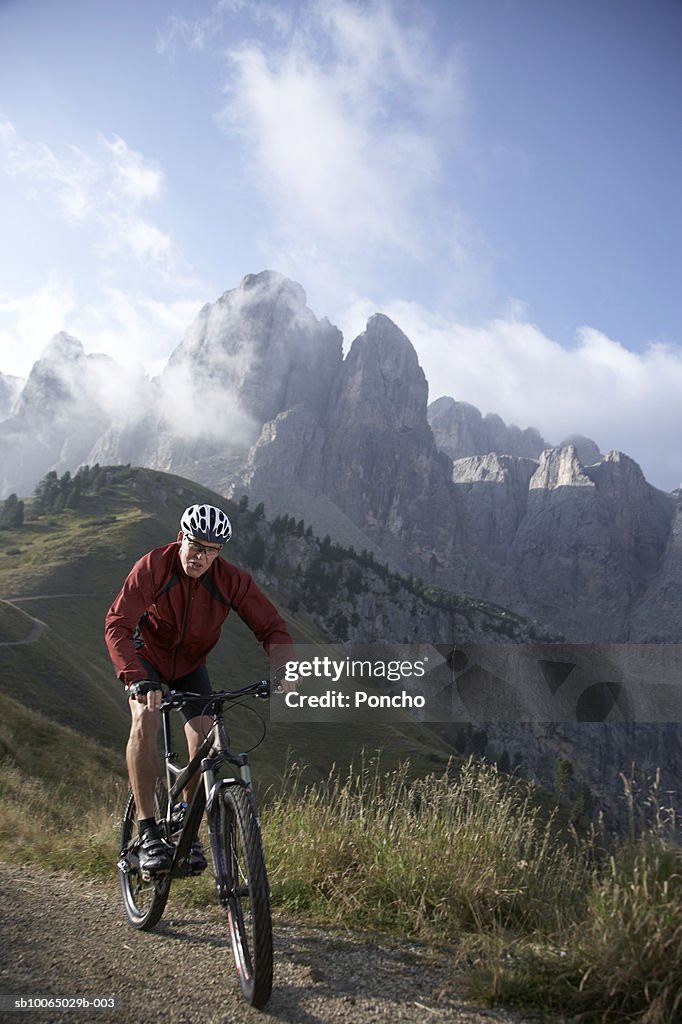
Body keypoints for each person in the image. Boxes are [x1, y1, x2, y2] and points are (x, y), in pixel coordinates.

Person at [105, 502, 297, 877]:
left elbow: (270, 624)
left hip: (191, 667)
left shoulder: (230, 580)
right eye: (196, 545)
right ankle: (147, 830)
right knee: (144, 718)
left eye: (212, 550)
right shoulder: (154, 567)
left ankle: (187, 830)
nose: (202, 556)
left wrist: (286, 665)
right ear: (181, 539)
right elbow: (117, 624)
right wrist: (135, 677)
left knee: (205, 739)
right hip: (148, 660)